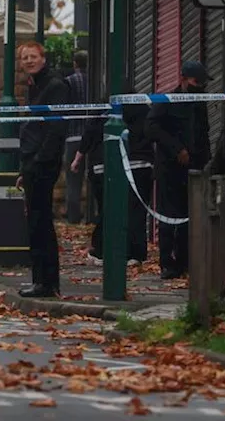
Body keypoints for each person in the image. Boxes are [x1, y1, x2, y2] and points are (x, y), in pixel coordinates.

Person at [146, 60, 212, 280]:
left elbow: (204, 136)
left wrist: (207, 165)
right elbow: (152, 128)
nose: (200, 86)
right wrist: (177, 149)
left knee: (188, 216)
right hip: (169, 170)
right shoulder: (167, 101)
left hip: (194, 169)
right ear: (183, 79)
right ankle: (168, 263)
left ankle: (184, 261)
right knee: (168, 217)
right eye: (196, 81)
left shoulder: (200, 103)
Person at [16, 41, 70, 298]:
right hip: (31, 163)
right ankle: (41, 280)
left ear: (43, 59)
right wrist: (23, 168)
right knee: (35, 224)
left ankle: (47, 282)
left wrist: (38, 162)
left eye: (33, 56)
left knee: (41, 223)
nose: (28, 61)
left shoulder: (55, 86)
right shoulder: (34, 86)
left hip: (42, 164)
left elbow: (55, 130)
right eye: (25, 57)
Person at [73, 102, 150, 265]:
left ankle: (103, 250)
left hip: (105, 166)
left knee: (107, 209)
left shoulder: (103, 109)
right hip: (140, 164)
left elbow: (90, 133)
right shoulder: (142, 107)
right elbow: (152, 130)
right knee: (136, 210)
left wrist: (78, 158)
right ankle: (135, 253)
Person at [63, 51, 90, 224]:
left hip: (72, 136)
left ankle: (73, 216)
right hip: (90, 136)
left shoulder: (68, 82)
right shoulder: (94, 80)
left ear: (74, 64)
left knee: (73, 181)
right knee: (94, 177)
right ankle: (92, 215)